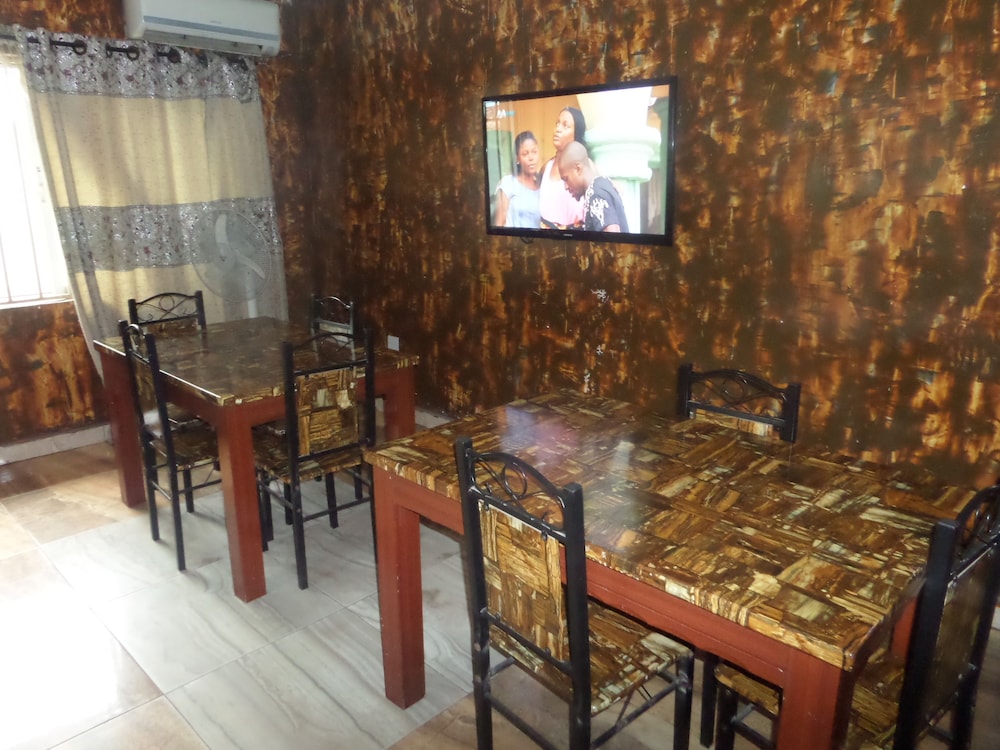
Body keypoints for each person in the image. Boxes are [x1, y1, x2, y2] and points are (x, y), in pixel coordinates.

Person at [556, 140, 629, 233]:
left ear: (578, 169)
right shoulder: (602, 185)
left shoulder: (596, 194)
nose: (566, 187)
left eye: (566, 179)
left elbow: (612, 236)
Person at [538, 106, 586, 229]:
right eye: (557, 123)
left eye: (565, 126)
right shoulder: (546, 168)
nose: (558, 129)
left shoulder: (583, 167)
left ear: (576, 134)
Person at [493, 131, 541, 228]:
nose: (531, 158)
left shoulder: (541, 187)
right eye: (525, 154)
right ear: (517, 158)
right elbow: (499, 225)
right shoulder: (508, 183)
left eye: (534, 152)